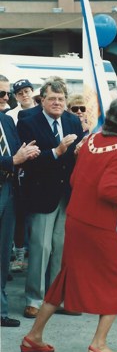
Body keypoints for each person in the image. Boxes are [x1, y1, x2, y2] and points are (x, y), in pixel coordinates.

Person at [20, 94, 117, 352]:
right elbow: (109, 190)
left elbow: (76, 179)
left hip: (77, 219)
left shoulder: (92, 142)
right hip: (98, 225)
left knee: (65, 277)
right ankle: (98, 344)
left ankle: (34, 336)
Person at [17, 78, 84, 318]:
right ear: (42, 100)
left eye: (61, 99)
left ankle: (56, 299)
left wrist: (78, 154)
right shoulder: (27, 122)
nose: (57, 102)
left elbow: (77, 159)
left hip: (68, 194)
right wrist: (57, 152)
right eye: (52, 98)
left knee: (61, 248)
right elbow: (28, 161)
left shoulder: (72, 120)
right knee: (41, 247)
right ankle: (34, 299)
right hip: (41, 193)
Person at [0, 109, 40, 327]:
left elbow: (17, 154)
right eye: (1, 93)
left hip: (7, 190)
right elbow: (11, 158)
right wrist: (12, 160)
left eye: (7, 93)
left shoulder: (6, 120)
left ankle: (1, 311)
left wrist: (25, 155)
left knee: (3, 254)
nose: (6, 98)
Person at [6, 79, 37, 273]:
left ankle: (32, 252)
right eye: (20, 93)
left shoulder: (42, 110)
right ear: (15, 96)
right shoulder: (10, 115)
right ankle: (19, 252)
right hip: (19, 167)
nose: (24, 95)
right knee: (20, 212)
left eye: (27, 91)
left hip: (38, 166)